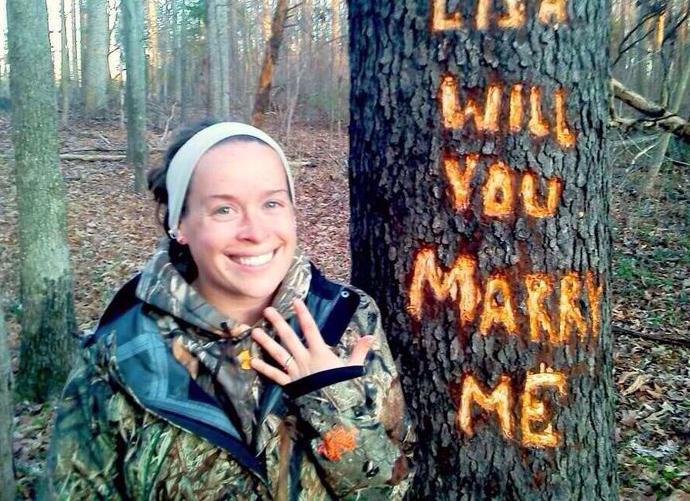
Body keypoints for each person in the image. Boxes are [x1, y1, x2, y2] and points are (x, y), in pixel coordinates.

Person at [45, 121, 415, 500]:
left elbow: (393, 489)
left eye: (271, 203)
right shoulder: (121, 356)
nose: (255, 231)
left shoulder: (348, 319)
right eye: (224, 209)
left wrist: (331, 401)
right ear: (180, 225)